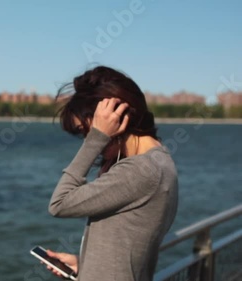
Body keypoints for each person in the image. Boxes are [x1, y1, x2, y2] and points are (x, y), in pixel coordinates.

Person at [43, 66, 178, 280]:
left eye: (88, 130)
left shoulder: (141, 171)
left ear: (116, 117)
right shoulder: (159, 162)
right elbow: (129, 248)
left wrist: (97, 138)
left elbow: (59, 203)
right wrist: (86, 267)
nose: (88, 138)